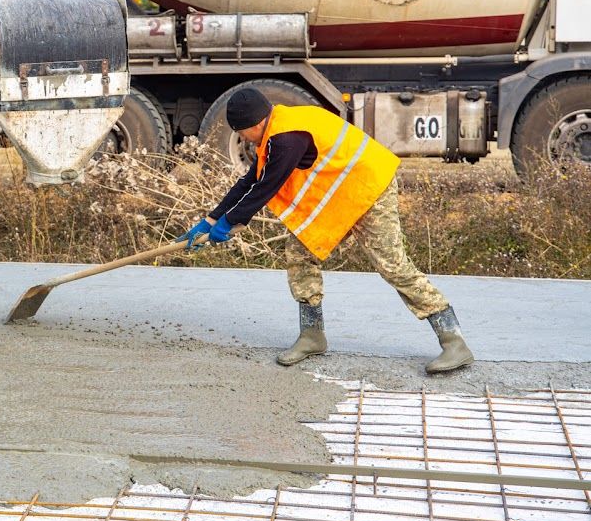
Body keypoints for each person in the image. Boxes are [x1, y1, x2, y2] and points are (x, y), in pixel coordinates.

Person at [180, 88, 474, 374]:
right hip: (340, 197)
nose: (244, 139)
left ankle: (453, 339)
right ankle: (312, 336)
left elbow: (266, 188)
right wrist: (210, 220)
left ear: (255, 124)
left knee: (392, 265)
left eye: (243, 133)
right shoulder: (274, 130)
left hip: (369, 189)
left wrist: (230, 223)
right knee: (299, 254)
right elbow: (249, 181)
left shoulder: (286, 138)